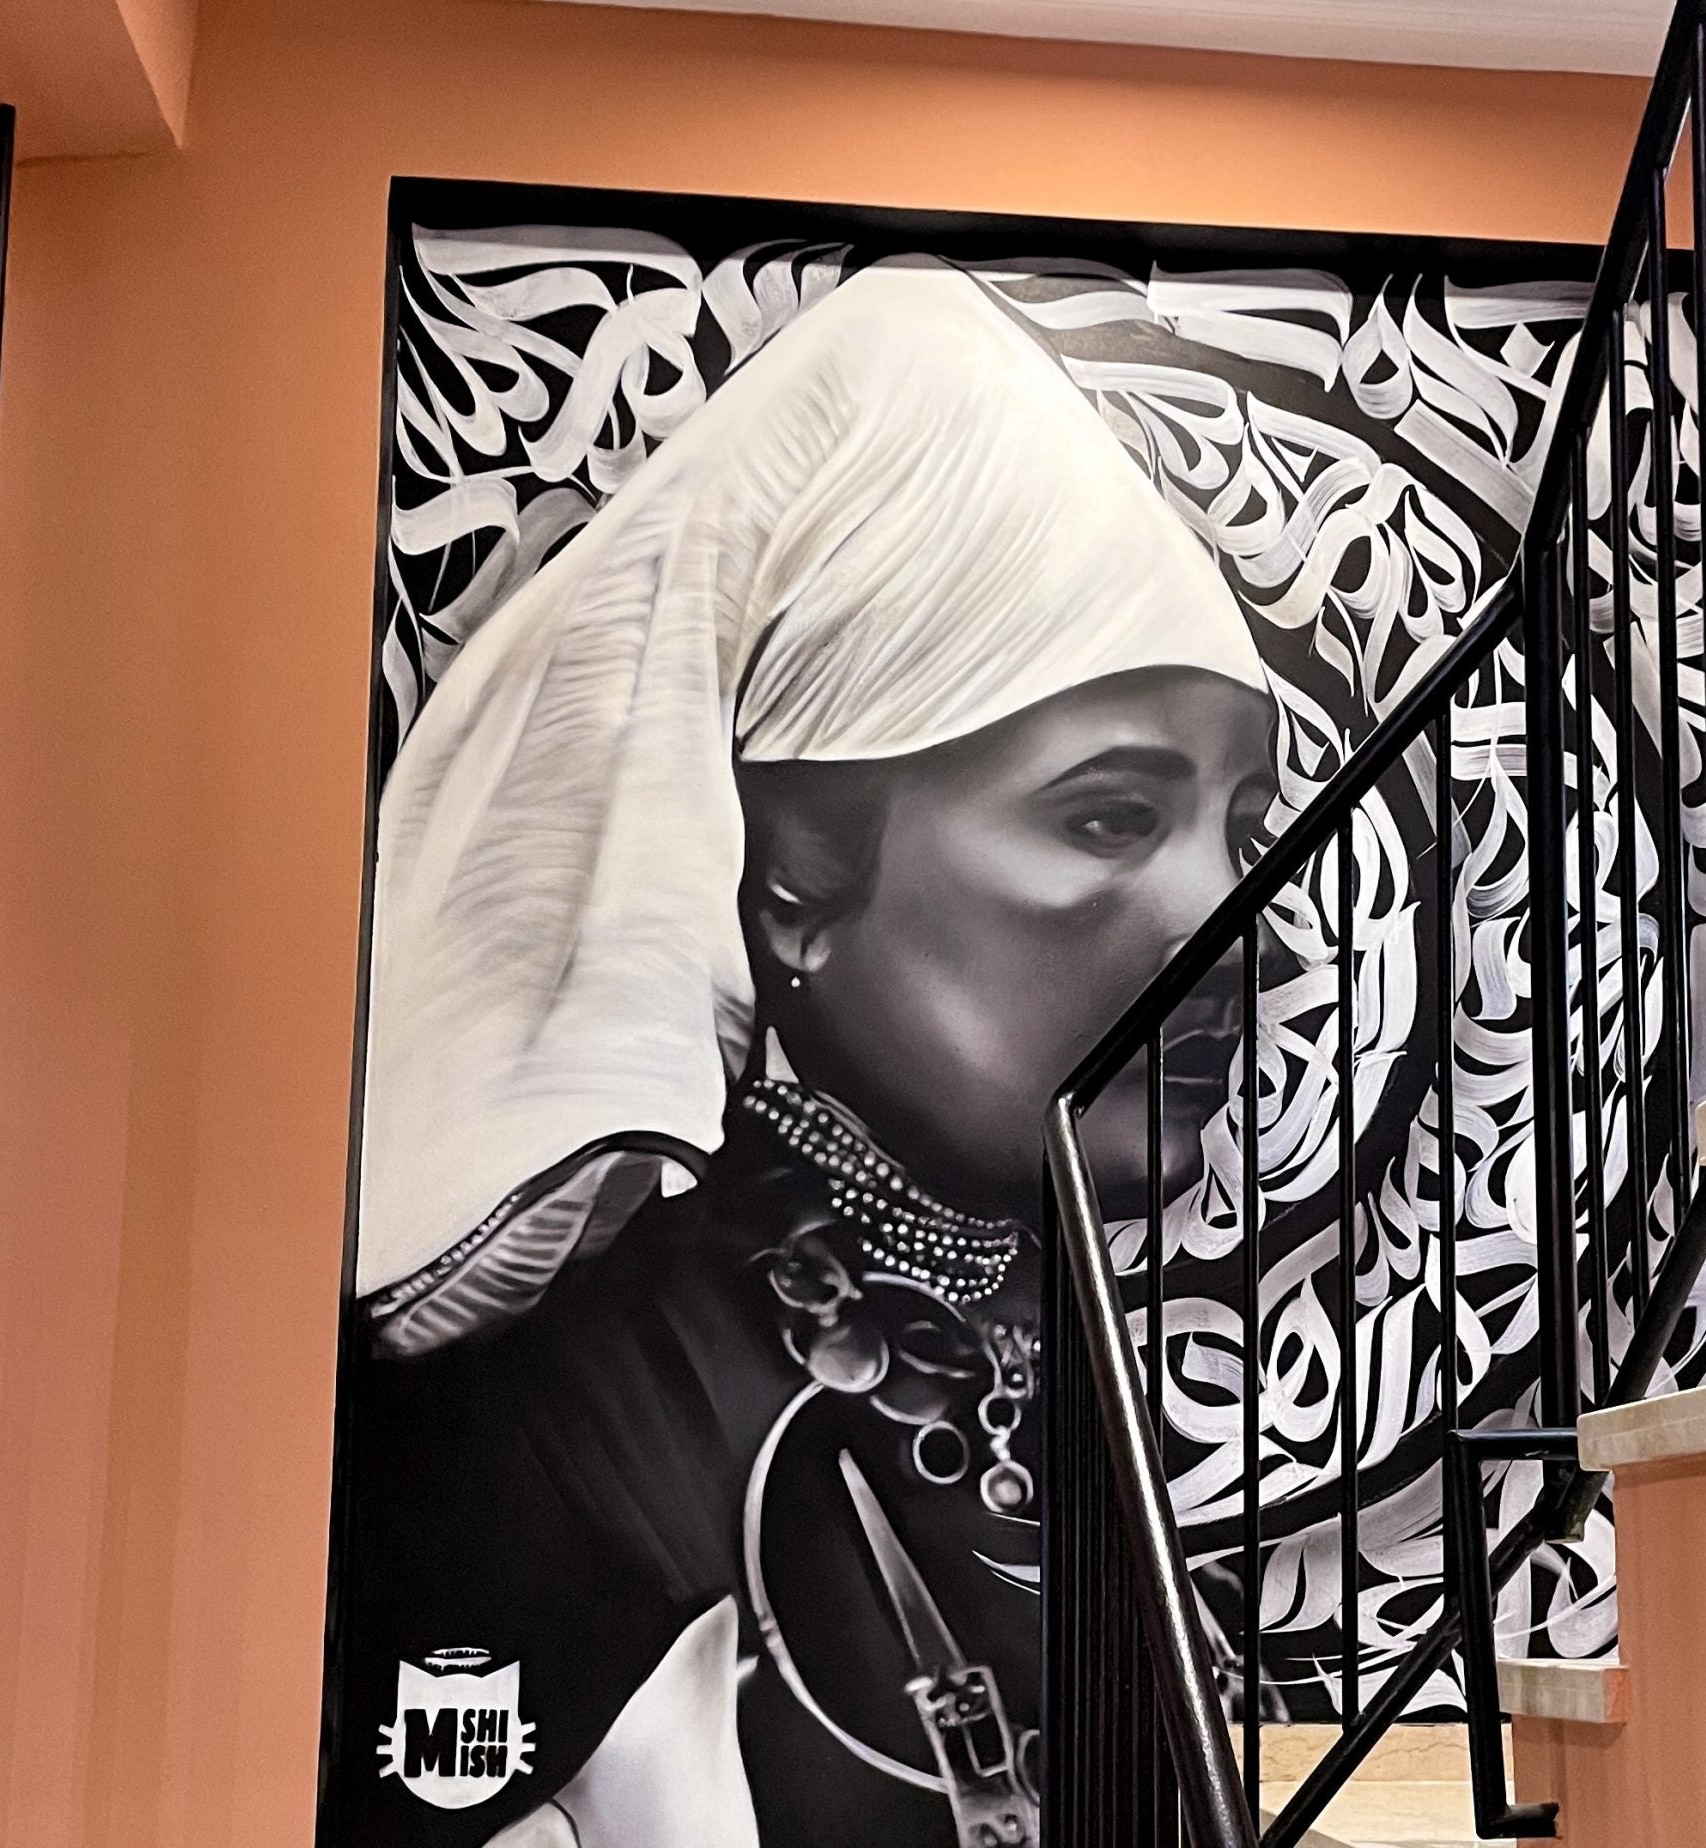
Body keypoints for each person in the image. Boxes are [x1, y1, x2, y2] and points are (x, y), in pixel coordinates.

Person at [333, 261, 1275, 1848]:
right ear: (794, 887)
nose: (1232, 921)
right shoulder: (585, 1413)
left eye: (1245, 831)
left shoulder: (1036, 1320)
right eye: (1110, 817)